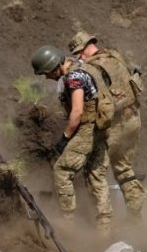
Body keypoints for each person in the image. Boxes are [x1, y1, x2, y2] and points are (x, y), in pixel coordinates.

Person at [31, 45, 113, 232]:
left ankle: (67, 223)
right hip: (100, 129)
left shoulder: (74, 77)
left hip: (87, 129)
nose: (46, 77)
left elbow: (77, 112)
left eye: (46, 73)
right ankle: (105, 227)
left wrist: (65, 138)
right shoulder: (81, 68)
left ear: (55, 66)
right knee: (96, 175)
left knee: (62, 170)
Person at [68, 32, 146, 215]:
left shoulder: (92, 69)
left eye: (78, 53)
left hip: (115, 125)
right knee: (125, 169)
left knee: (95, 171)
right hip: (133, 119)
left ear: (85, 48)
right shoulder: (116, 56)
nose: (78, 58)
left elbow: (95, 101)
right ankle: (135, 217)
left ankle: (104, 224)